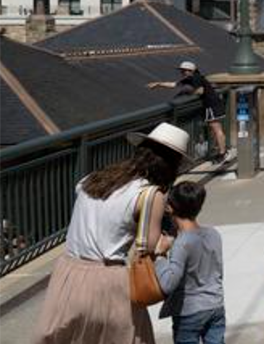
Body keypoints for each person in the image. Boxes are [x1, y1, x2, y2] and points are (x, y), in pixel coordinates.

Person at [34, 122, 188, 344]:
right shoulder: (149, 194)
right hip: (107, 281)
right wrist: (167, 243)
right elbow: (150, 247)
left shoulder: (92, 179)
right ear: (171, 165)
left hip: (67, 273)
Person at [155, 181, 225, 344]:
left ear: (169, 208)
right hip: (215, 305)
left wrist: (160, 255)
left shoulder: (182, 243)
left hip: (189, 311)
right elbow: (218, 271)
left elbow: (168, 283)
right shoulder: (213, 234)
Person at [149, 62, 227, 162]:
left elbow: (201, 91)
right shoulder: (192, 78)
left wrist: (187, 91)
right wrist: (159, 84)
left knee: (216, 129)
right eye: (181, 71)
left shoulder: (195, 78)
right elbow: (174, 84)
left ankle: (222, 153)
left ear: (190, 71)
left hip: (211, 105)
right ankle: (221, 151)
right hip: (213, 104)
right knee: (216, 129)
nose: (182, 72)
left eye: (183, 71)